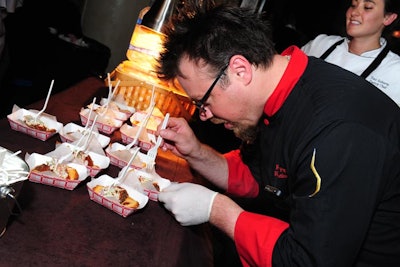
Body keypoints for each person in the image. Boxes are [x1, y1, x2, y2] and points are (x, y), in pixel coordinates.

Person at [155, 3, 400, 267]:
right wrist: (196, 153)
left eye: (204, 102)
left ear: (240, 70)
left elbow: (307, 259)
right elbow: (258, 176)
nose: (205, 115)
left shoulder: (337, 131)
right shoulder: (282, 93)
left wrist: (217, 210)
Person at [301, 0, 400, 106]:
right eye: (353, 5)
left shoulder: (395, 71)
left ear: (388, 18)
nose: (354, 12)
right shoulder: (321, 44)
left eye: (367, 7)